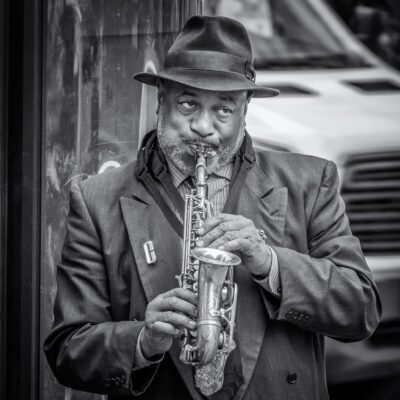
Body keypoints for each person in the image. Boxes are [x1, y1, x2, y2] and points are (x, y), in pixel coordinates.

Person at [44, 15, 381, 400]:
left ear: (245, 107)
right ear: (162, 100)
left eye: (223, 109)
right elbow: (67, 351)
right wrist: (142, 340)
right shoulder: (96, 200)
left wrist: (270, 262)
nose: (204, 126)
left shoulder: (310, 181)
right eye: (188, 103)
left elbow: (361, 311)